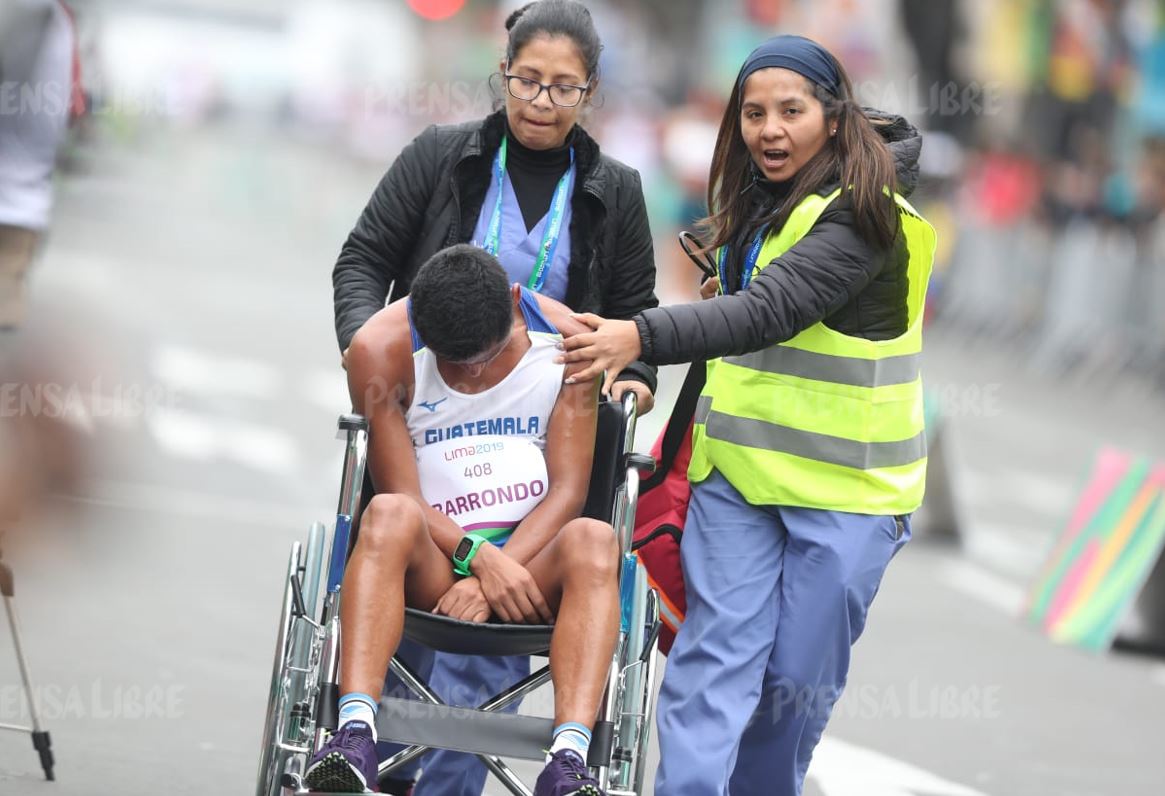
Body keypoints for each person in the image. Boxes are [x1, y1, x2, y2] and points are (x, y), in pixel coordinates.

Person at [559, 35, 937, 796]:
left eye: (789, 111)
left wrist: (638, 336)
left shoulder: (868, 217)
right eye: (753, 113)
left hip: (848, 495)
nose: (768, 130)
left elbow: (769, 312)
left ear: (833, 118)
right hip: (736, 479)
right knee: (713, 660)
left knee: (790, 686)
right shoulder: (763, 205)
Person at [331, 3, 657, 792]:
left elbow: (636, 315)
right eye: (527, 82)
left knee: (500, 621)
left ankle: (452, 779)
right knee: (404, 546)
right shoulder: (441, 157)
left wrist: (630, 380)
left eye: (563, 89)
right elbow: (363, 259)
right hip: (428, 395)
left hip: (548, 415)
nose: (541, 103)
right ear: (502, 74)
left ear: (590, 93)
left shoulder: (615, 190)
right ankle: (371, 741)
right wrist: (367, 353)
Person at [307, 245, 618, 796]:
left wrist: (498, 571)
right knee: (386, 512)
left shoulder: (569, 344)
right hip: (433, 560)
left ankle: (568, 762)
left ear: (516, 305)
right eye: (453, 361)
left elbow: (569, 490)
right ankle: (355, 734)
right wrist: (477, 559)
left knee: (596, 539)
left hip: (530, 571)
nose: (471, 373)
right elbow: (403, 492)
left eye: (485, 356)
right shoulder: (380, 349)